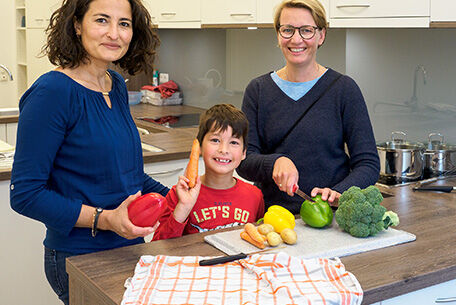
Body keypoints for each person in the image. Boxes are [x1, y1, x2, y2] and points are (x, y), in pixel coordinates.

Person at [9, 0, 164, 304]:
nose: (114, 34)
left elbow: (127, 176)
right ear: (77, 25)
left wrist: (177, 195)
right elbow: (25, 193)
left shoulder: (114, 85)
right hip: (78, 258)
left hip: (130, 249)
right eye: (102, 20)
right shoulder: (52, 92)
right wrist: (106, 219)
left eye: (124, 23)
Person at [236, 0, 380, 214]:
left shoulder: (344, 89)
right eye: (287, 30)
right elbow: (244, 161)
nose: (296, 39)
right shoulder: (258, 90)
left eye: (306, 30)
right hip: (274, 217)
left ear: (321, 35)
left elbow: (368, 164)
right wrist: (276, 162)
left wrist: (339, 192)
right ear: (278, 34)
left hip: (330, 216)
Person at [153, 104, 264, 240]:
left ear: (244, 152)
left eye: (234, 142)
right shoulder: (179, 195)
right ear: (199, 146)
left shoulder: (255, 196)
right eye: (215, 140)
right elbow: (159, 249)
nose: (224, 149)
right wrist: (183, 207)